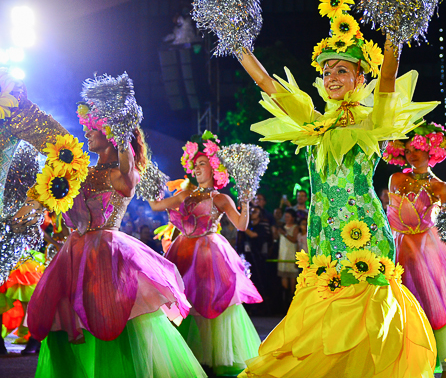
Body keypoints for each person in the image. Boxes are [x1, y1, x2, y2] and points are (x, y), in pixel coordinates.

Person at [235, 0, 439, 378]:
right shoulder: (314, 124)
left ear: (359, 78)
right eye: (327, 70)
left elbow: (387, 86)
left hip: (365, 232)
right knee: (323, 319)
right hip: (325, 232)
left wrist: (393, 36)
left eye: (342, 70)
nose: (331, 76)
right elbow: (270, 87)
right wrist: (238, 47)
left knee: (364, 319)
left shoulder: (370, 123)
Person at [26, 73, 205, 377]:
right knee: (66, 319)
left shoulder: (122, 174)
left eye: (94, 129)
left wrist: (121, 126)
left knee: (110, 317)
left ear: (111, 133)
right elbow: (52, 196)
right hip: (72, 255)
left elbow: (129, 165)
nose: (87, 134)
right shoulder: (80, 170)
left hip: (107, 255)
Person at [148, 133, 263, 376]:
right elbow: (156, 206)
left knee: (210, 302)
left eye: (202, 164)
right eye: (196, 164)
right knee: (184, 300)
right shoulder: (185, 194)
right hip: (183, 251)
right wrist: (150, 183)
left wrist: (245, 200)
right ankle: (186, 355)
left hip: (210, 255)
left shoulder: (220, 198)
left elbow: (241, 225)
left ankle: (211, 357)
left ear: (214, 169)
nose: (197, 168)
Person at [384, 122, 446, 377]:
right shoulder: (397, 179)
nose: (412, 154)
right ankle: (413, 365)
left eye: (417, 149)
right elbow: (397, 217)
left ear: (431, 152)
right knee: (409, 305)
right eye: (407, 150)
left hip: (433, 252)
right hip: (402, 250)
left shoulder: (442, 188)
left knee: (439, 304)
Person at [278, 208, 299, 302]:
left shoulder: (295, 227)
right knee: (284, 276)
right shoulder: (282, 227)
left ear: (293, 218)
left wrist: (285, 234)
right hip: (282, 254)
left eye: (288, 216)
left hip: (291, 254)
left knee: (292, 279)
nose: (286, 218)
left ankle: (292, 299)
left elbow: (295, 240)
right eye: (285, 216)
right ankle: (284, 301)